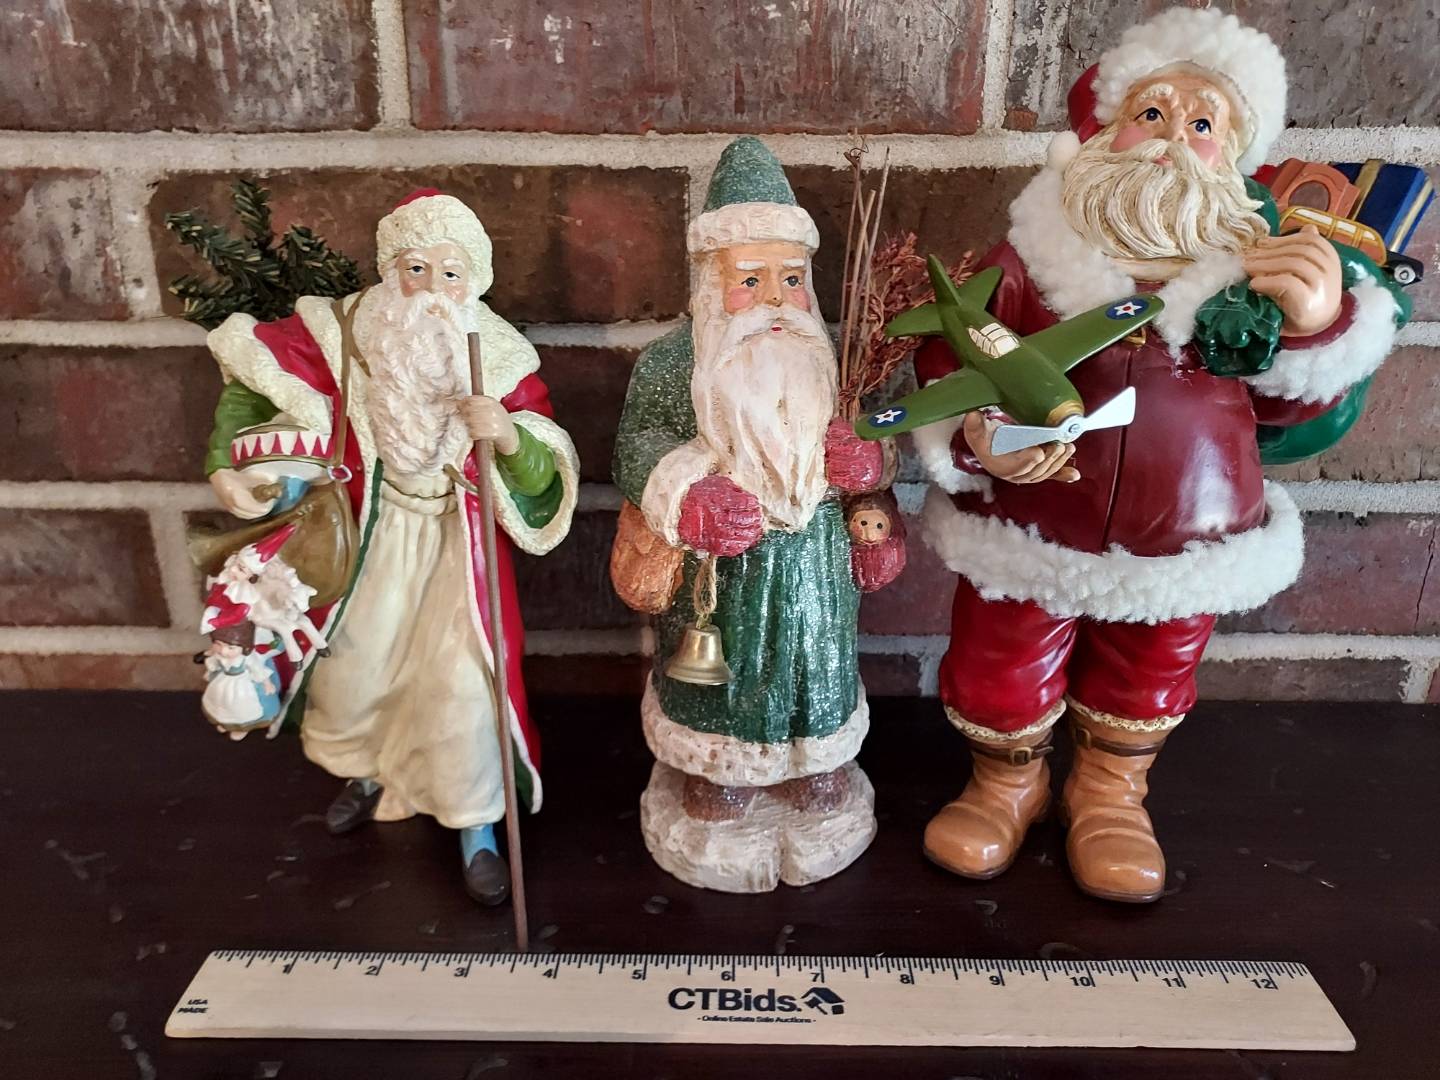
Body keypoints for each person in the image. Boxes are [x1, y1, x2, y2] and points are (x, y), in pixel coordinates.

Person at [912, 8, 1409, 903]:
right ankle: (1004, 784)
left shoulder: (1253, 276)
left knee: (1150, 669)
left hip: (1188, 531)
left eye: (1203, 122)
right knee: (1000, 658)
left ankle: (1110, 793)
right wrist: (980, 437)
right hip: (1034, 522)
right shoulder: (1031, 257)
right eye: (1152, 112)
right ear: (1105, 130)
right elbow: (956, 353)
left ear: (1234, 158)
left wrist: (1315, 326)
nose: (1174, 136)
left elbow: (1296, 414)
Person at [203, 189, 579, 904]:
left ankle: (475, 828)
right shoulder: (341, 333)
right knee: (356, 669)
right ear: (389, 269)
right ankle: (368, 772)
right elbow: (254, 384)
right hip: (368, 538)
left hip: (454, 548)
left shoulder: (498, 358)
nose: (431, 287)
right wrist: (228, 463)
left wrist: (506, 436)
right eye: (415, 268)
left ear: (473, 281)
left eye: (450, 272)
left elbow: (544, 470)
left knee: (460, 688)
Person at [612, 137, 904, 892]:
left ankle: (816, 762)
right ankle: (719, 771)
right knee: (723, 675)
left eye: (791, 278)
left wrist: (872, 461)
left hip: (815, 559)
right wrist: (687, 492)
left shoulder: (838, 359)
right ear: (712, 285)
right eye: (750, 279)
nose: (775, 298)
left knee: (817, 664)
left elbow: (882, 431)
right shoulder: (674, 364)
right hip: (720, 570)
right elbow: (637, 444)